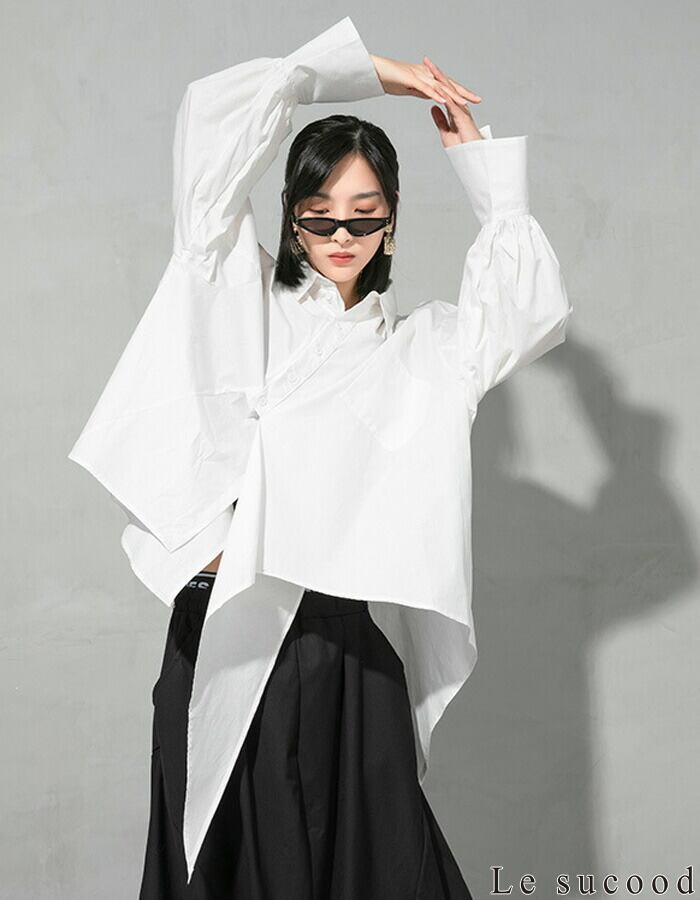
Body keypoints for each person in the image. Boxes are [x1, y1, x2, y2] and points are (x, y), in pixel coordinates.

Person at [67, 15, 572, 899]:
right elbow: (213, 122)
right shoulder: (236, 289)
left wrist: (484, 175)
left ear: (392, 223)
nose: (342, 235)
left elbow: (524, 315)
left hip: (343, 660)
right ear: (292, 218)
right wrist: (370, 71)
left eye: (365, 216)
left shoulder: (423, 350)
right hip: (220, 640)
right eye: (319, 215)